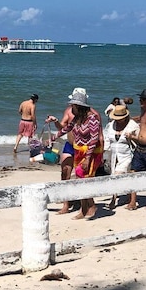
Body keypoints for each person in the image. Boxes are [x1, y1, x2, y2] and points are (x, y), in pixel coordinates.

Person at [48, 89, 104, 219]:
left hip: (90, 152)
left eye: (73, 105)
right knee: (80, 179)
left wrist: (88, 158)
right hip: (78, 149)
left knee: (85, 179)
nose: (71, 107)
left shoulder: (93, 118)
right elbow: (66, 129)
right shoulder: (78, 117)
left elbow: (94, 139)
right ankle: (84, 209)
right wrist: (52, 138)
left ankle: (90, 206)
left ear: (79, 106)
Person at [103, 104, 139, 209]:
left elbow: (139, 140)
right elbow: (107, 140)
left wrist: (131, 136)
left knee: (119, 175)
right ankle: (118, 198)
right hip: (114, 156)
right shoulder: (111, 125)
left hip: (128, 155)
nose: (118, 120)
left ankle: (119, 200)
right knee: (117, 176)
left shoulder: (133, 125)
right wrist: (102, 154)